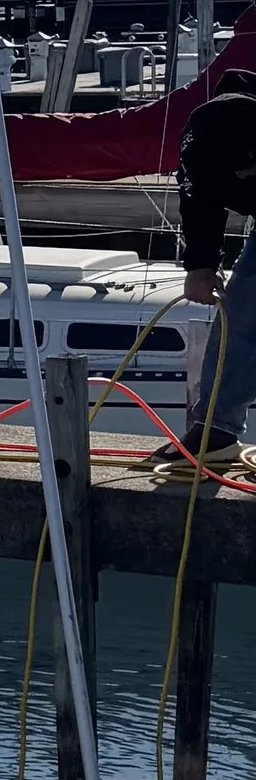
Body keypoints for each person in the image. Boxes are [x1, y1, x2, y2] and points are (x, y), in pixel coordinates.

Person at [159, 69, 256, 484]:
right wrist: (200, 266)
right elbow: (200, 205)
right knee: (242, 312)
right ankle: (217, 431)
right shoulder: (201, 147)